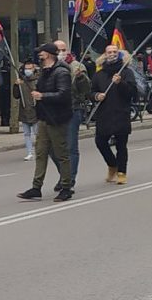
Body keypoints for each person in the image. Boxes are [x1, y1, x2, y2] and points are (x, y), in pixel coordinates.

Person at [17, 42, 73, 202]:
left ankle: (66, 187)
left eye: (41, 53)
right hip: (43, 117)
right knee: (41, 152)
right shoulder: (43, 72)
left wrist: (43, 96)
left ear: (48, 54)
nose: (39, 55)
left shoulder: (61, 72)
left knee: (61, 154)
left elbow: (63, 95)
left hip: (57, 118)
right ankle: (36, 187)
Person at [89, 45, 136, 184]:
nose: (112, 54)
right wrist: (96, 96)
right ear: (105, 54)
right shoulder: (99, 74)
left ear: (119, 54)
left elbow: (132, 92)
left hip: (121, 113)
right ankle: (112, 164)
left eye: (115, 52)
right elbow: (91, 92)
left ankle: (122, 172)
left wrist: (120, 83)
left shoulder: (126, 72)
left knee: (121, 145)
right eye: (109, 52)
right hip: (104, 114)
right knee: (100, 142)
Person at [55, 39, 89, 191]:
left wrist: (81, 78)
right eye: (58, 50)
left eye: (63, 50)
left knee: (70, 147)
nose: (61, 53)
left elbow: (86, 90)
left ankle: (70, 179)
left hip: (73, 110)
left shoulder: (76, 66)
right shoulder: (49, 67)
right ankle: (64, 175)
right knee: (53, 148)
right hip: (54, 112)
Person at [14, 60, 39, 161]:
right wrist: (16, 85)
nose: (28, 71)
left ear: (34, 69)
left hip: (36, 111)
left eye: (30, 68)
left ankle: (39, 151)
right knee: (27, 134)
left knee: (37, 133)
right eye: (26, 69)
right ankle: (30, 152)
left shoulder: (38, 80)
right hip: (24, 110)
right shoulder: (21, 80)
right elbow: (16, 96)